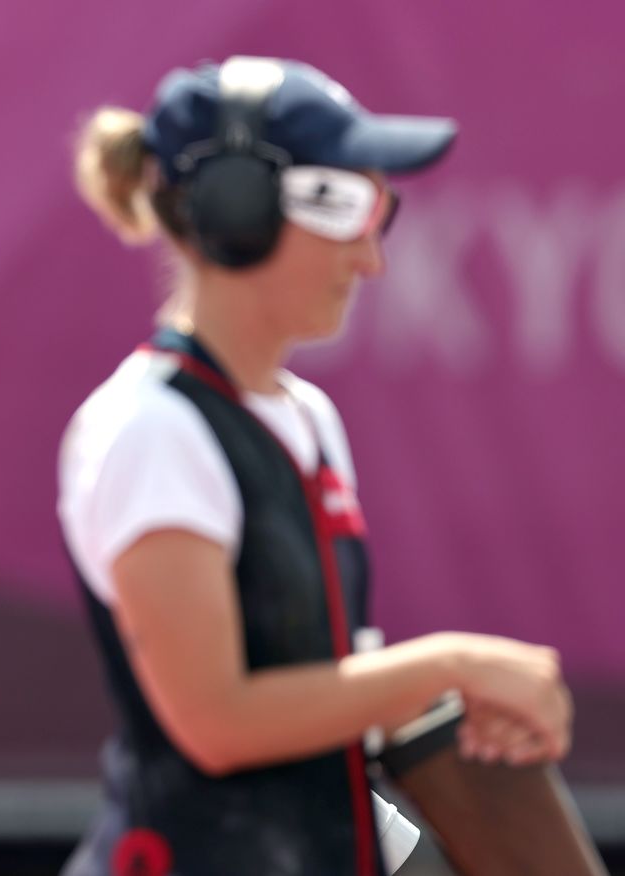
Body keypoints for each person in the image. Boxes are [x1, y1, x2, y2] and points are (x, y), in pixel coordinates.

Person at [58, 56, 571, 876]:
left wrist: (448, 718)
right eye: (343, 208)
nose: (371, 259)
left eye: (380, 212)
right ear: (236, 209)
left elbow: (319, 699)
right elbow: (218, 722)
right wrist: (451, 666)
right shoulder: (149, 429)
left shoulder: (305, 417)